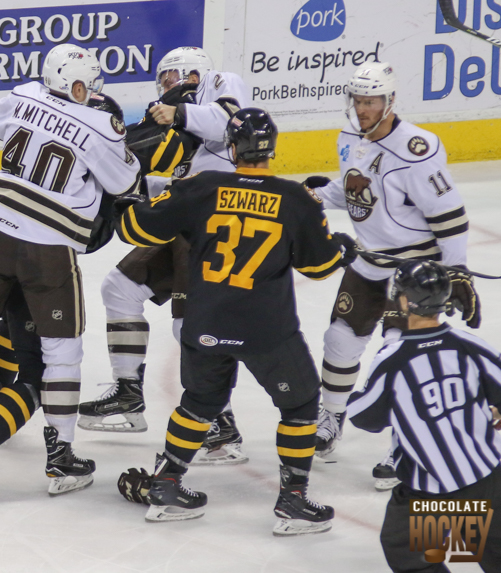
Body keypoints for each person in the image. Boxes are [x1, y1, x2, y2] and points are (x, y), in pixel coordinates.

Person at [115, 107, 354, 535]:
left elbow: (136, 228)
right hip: (267, 330)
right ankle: (293, 501)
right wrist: (340, 247)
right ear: (272, 149)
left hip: (205, 321)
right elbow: (318, 268)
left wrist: (129, 201)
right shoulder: (296, 198)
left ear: (231, 147)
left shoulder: (202, 187)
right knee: (299, 406)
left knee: (199, 402)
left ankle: (168, 484)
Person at [0, 43, 142, 500]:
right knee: (62, 353)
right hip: (47, 247)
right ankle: (60, 458)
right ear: (78, 85)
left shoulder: (20, 95)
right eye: (89, 84)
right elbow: (124, 183)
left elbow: (6, 129)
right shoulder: (101, 123)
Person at [303, 62, 477, 490]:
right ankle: (331, 421)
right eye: (358, 100)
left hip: (415, 268)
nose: (362, 109)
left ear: (390, 101)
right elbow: (356, 193)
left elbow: (449, 216)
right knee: (339, 340)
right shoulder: (349, 137)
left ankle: (407, 445)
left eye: (371, 101)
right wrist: (312, 197)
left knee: (403, 355)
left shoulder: (417, 149)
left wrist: (456, 272)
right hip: (369, 261)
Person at [78, 46, 251, 466]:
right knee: (119, 287)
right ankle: (128, 395)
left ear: (195, 75)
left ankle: (220, 426)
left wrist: (178, 113)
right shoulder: (188, 141)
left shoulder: (222, 84)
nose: (164, 90)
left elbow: (229, 120)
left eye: (170, 79)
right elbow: (174, 180)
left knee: (187, 326)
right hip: (187, 221)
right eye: (162, 83)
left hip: (217, 227)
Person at [347, 260, 501, 572]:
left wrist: (354, 397)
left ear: (405, 301)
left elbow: (365, 417)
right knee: (496, 553)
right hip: (487, 481)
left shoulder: (393, 360)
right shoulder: (470, 345)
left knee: (412, 557)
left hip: (432, 494)